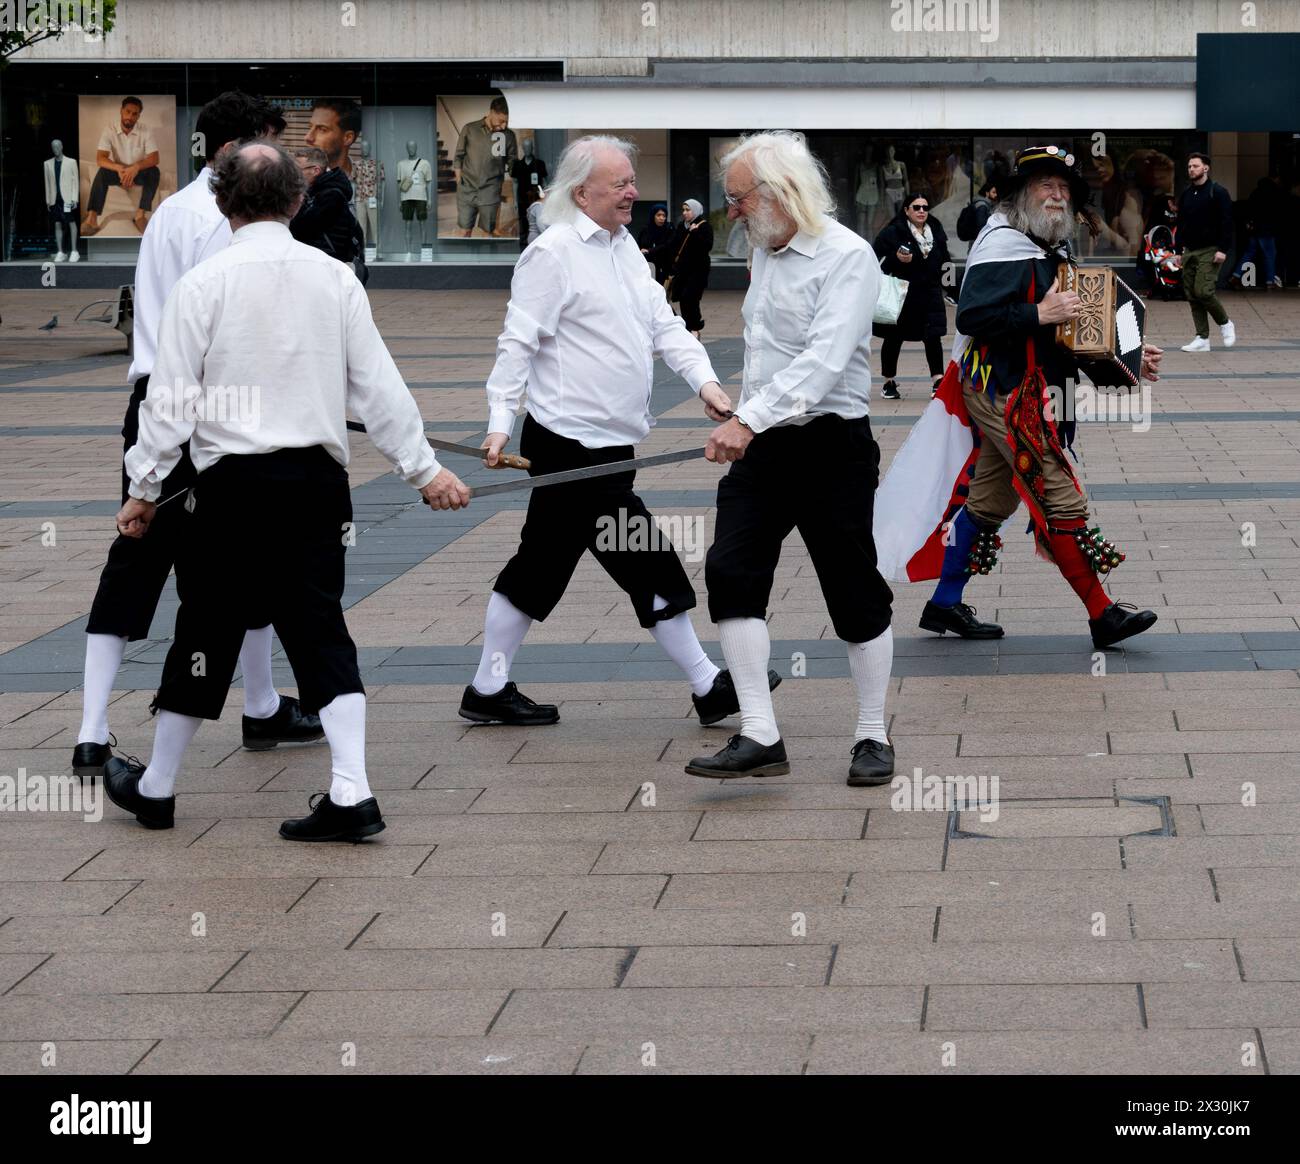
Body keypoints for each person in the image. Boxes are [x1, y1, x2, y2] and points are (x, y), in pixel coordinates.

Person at [107, 141, 470, 840]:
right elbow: (378, 388)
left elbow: (169, 403)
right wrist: (425, 470)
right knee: (319, 626)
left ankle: (156, 787)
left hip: (232, 489)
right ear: (299, 200)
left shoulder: (202, 285)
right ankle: (351, 791)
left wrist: (145, 487)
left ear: (222, 201)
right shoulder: (335, 280)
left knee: (205, 629)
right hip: (315, 484)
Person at [464, 135, 768, 730]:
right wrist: (500, 422)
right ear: (582, 191)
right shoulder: (551, 254)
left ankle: (487, 686)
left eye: (632, 180)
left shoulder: (625, 245)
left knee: (540, 564)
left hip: (612, 444)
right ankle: (708, 685)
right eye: (621, 182)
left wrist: (706, 383)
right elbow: (516, 343)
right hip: (568, 445)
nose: (634, 191)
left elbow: (664, 325)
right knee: (642, 554)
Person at [71, 91, 309, 787]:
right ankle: (259, 705)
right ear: (239, 148)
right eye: (270, 141)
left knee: (135, 561)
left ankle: (91, 730)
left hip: (154, 398)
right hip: (216, 406)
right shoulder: (233, 223)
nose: (280, 156)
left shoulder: (170, 211)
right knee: (252, 559)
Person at [876, 146, 1163, 649]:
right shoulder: (1003, 245)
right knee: (1058, 492)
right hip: (1002, 388)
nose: (1057, 195)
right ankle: (1103, 615)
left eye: (1064, 189)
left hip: (1033, 389)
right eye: (1045, 186)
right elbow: (972, 318)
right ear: (1021, 194)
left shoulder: (1051, 249)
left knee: (992, 498)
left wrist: (1131, 357)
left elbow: (1078, 331)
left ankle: (944, 604)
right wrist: (1038, 315)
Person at [685, 131, 897, 789]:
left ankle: (871, 735)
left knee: (853, 590)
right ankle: (759, 733)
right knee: (730, 571)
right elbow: (767, 352)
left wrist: (749, 417)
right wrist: (738, 407)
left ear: (778, 193)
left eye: (739, 200)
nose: (734, 213)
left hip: (834, 446)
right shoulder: (764, 254)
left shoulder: (847, 257)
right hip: (767, 445)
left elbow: (824, 360)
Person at [873, 194, 950, 400]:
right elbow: (874, 259)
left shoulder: (937, 231)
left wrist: (951, 288)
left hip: (930, 292)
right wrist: (895, 259)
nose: (921, 211)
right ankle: (889, 381)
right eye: (916, 207)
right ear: (907, 210)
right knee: (893, 338)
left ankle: (938, 380)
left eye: (925, 207)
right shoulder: (893, 232)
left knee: (933, 336)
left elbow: (946, 260)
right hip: (902, 293)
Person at [1177, 153, 1235, 352]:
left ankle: (1225, 323)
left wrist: (1223, 249)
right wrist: (1178, 251)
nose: (1191, 169)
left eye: (1195, 166)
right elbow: (1181, 223)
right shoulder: (1186, 194)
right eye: (1189, 166)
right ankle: (1202, 338)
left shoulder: (1217, 192)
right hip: (1189, 251)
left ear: (1206, 168)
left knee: (1203, 291)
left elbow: (1227, 222)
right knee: (1192, 295)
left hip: (1210, 250)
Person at [81, 97, 161, 236]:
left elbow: (155, 158)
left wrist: (135, 168)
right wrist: (119, 168)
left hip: (138, 172)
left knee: (154, 172)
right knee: (103, 171)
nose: (130, 116)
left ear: (138, 116)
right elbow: (100, 158)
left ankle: (140, 215)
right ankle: (92, 218)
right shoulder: (109, 129)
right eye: (127, 111)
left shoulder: (145, 130)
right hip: (119, 172)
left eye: (134, 114)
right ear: (121, 111)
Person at [289, 144, 362, 268]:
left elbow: (301, 229)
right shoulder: (317, 191)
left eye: (297, 169)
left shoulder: (331, 195)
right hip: (320, 261)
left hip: (327, 264)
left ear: (316, 170)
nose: (294, 174)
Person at [456, 96, 518, 238]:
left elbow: (512, 162)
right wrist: (459, 181)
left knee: (488, 232)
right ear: (491, 112)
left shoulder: (508, 136)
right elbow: (458, 156)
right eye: (501, 121)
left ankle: (485, 259)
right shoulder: (469, 129)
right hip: (467, 191)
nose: (503, 126)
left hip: (490, 191)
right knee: (464, 231)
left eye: (506, 122)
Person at [658, 198, 713, 337]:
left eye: (688, 210)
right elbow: (672, 245)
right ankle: (688, 329)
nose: (685, 213)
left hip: (698, 271)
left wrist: (694, 233)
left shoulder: (704, 226)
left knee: (690, 297)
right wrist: (650, 252)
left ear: (695, 210)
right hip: (682, 271)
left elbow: (706, 246)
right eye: (683, 210)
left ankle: (694, 328)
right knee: (682, 298)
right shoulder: (682, 226)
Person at [1230, 173, 1285, 291]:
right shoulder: (1275, 192)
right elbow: (1277, 212)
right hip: (1267, 228)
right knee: (1270, 254)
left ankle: (1236, 276)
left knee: (1249, 253)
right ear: (1276, 178)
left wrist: (1250, 223)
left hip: (1255, 228)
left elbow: (1249, 208)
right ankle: (1270, 281)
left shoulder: (1256, 192)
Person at [305, 98, 360, 183]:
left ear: (348, 138)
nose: (308, 137)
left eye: (322, 129)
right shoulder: (300, 178)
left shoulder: (369, 174)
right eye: (310, 127)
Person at [638, 203, 673, 283]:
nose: (662, 218)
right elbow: (640, 245)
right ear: (653, 216)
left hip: (663, 266)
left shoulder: (668, 229)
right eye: (658, 215)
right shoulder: (645, 230)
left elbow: (666, 245)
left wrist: (649, 250)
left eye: (664, 216)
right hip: (648, 265)